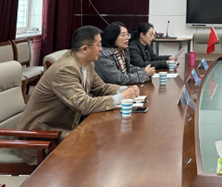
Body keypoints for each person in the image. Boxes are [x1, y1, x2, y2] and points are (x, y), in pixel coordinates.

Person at [16, 25, 140, 165]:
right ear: (85, 49)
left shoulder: (87, 64)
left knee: (109, 144)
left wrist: (125, 89)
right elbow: (84, 105)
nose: (101, 48)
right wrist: (122, 97)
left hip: (66, 128)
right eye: (98, 45)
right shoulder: (65, 70)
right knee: (104, 151)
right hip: (43, 137)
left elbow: (102, 88)